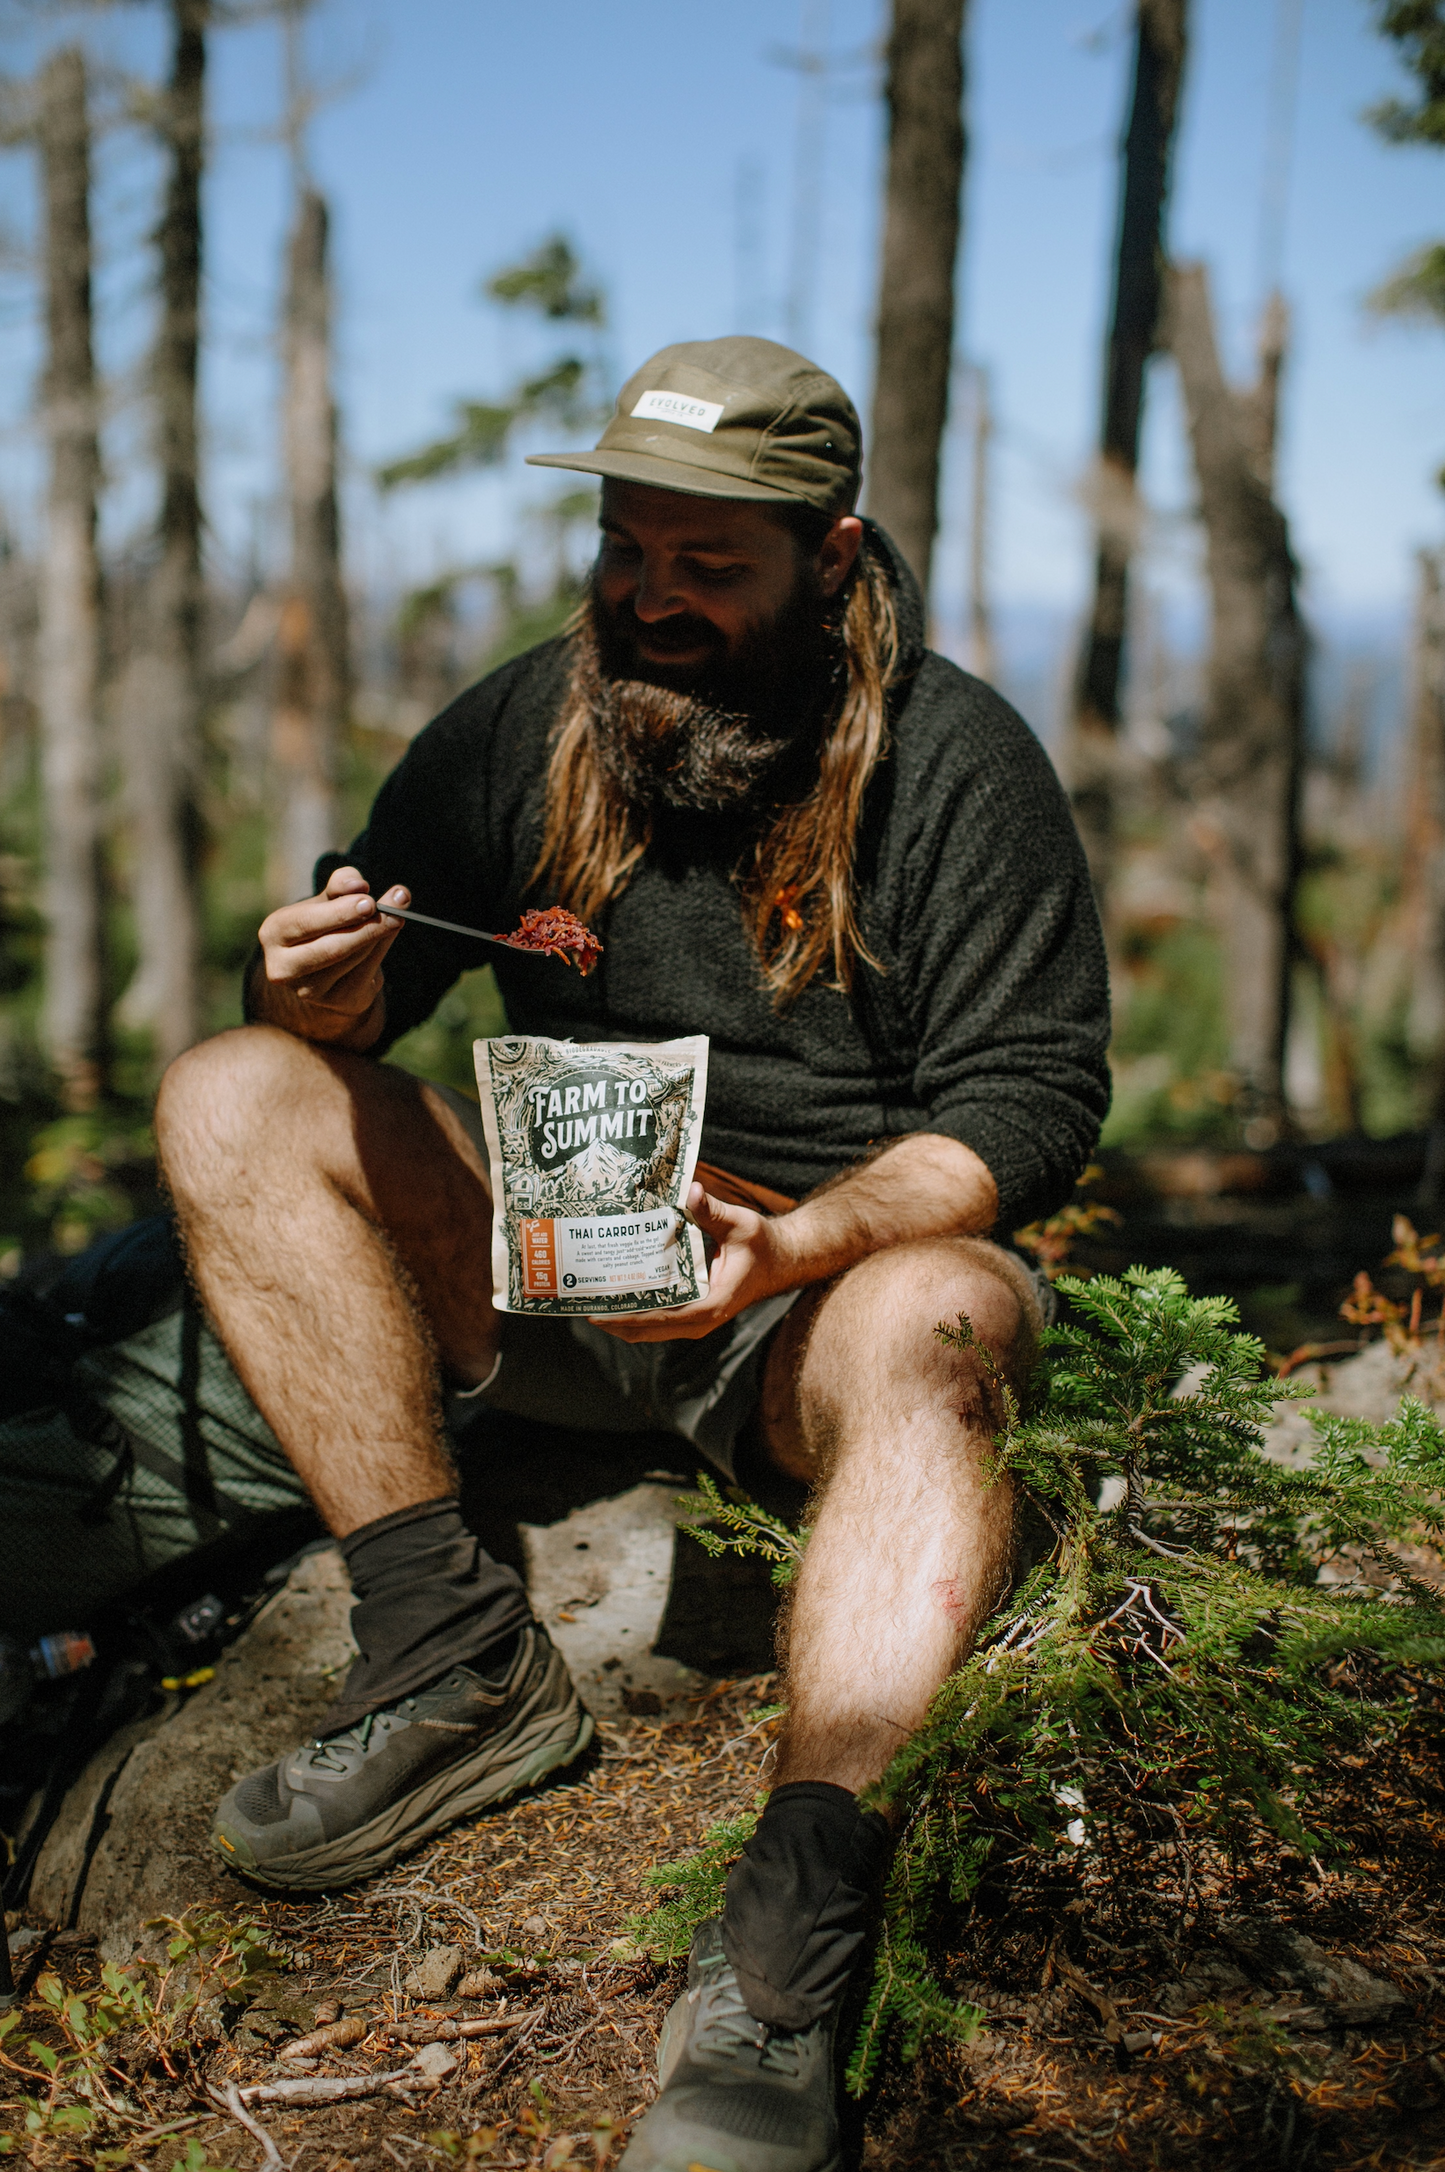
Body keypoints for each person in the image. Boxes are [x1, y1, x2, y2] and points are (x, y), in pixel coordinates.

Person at [153, 336, 1110, 2172]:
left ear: (830, 560)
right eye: (623, 548)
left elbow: (1032, 1106)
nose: (649, 598)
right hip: (547, 1273)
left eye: (706, 565)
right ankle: (450, 1664)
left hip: (802, 1309)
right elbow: (358, 994)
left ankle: (788, 1942)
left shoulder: (954, 765)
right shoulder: (532, 725)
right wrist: (309, 988)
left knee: (952, 1307)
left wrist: (808, 1243)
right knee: (226, 1092)